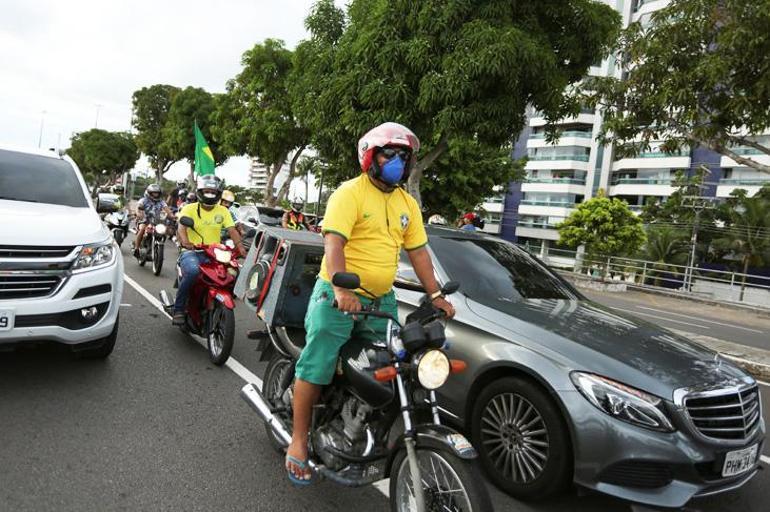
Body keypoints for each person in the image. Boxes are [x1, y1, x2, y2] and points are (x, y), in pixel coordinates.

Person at [284, 122, 455, 485]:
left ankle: (358, 425)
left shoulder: (407, 203)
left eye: (403, 156)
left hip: (382, 302)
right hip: (338, 297)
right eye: (389, 154)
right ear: (370, 157)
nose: (397, 162)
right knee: (317, 365)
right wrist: (343, 288)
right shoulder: (350, 194)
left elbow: (419, 252)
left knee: (388, 369)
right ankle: (298, 441)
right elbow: (334, 244)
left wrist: (436, 295)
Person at [173, 175, 245, 325]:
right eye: (207, 191)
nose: (210, 194)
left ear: (218, 193)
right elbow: (181, 227)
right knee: (193, 271)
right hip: (192, 252)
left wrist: (241, 248)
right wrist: (186, 242)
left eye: (213, 192)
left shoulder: (223, 211)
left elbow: (232, 230)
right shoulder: (189, 208)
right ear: (200, 191)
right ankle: (178, 309)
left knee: (233, 272)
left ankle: (215, 304)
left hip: (214, 253)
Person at [133, 184, 175, 258]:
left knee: (164, 231)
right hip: (144, 221)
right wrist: (138, 213)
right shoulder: (143, 200)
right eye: (154, 193)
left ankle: (157, 248)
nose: (156, 195)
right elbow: (137, 208)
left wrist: (172, 216)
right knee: (142, 229)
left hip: (157, 222)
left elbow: (167, 209)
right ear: (149, 193)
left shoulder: (161, 202)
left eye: (157, 193)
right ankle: (136, 248)